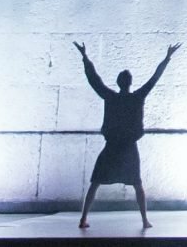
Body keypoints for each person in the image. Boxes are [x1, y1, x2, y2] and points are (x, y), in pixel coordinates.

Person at [74, 40, 178, 229]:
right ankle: (145, 220)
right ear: (130, 83)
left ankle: (83, 218)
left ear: (118, 82)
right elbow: (154, 79)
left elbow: (94, 80)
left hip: (112, 146)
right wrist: (167, 58)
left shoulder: (111, 97)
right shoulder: (136, 97)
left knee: (96, 182)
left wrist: (85, 57)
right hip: (128, 147)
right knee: (137, 184)